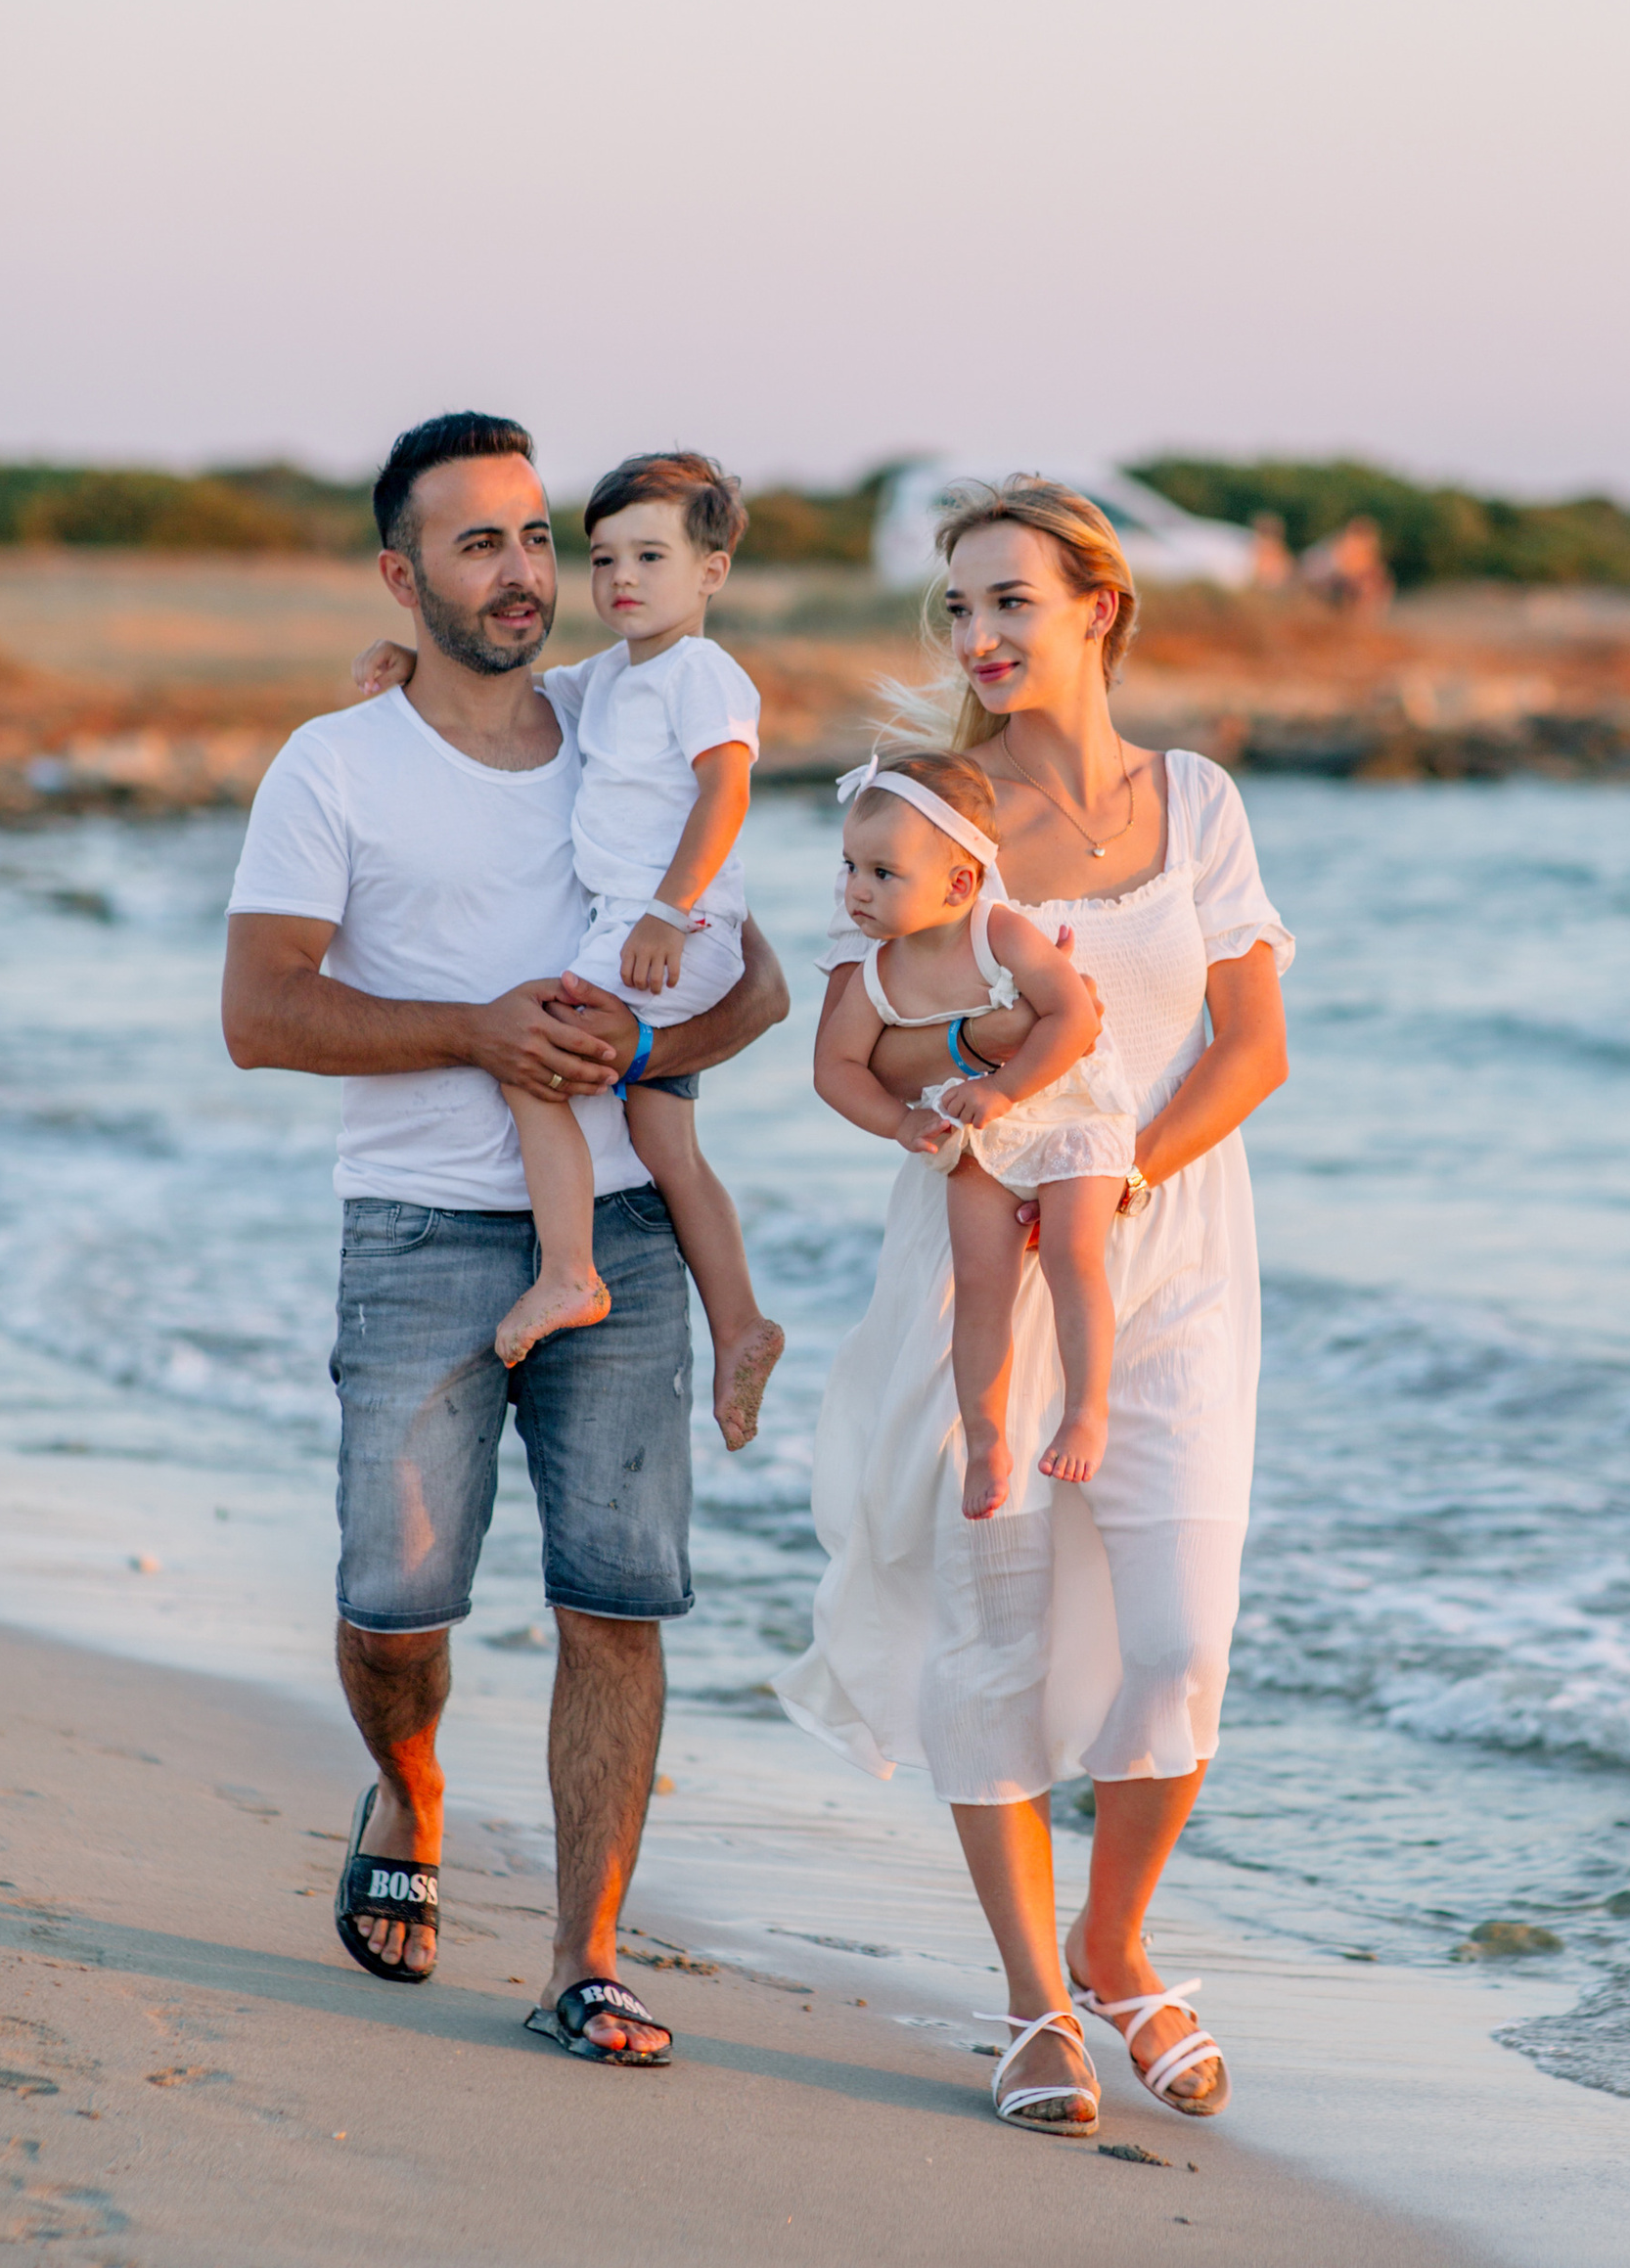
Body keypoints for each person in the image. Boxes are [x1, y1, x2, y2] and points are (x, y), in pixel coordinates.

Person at [220, 411, 788, 2066]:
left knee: (620, 1600)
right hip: (414, 1228)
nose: (529, 571)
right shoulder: (336, 763)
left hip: (620, 1229)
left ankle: (587, 1957)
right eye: (482, 543)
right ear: (405, 575)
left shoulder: (634, 713)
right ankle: (407, 1787)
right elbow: (261, 1012)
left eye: (541, 536)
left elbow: (747, 987)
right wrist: (477, 1031)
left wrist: (645, 1048)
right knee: (396, 1601)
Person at [776, 476, 1292, 2137]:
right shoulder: (934, 814)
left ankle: (1118, 1938)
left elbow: (1254, 1045)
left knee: (1181, 1640)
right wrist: (994, 1075)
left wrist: (1124, 1174)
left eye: (1014, 601)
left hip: (1176, 1254)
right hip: (984, 1257)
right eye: (961, 607)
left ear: (1101, 611)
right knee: (993, 1634)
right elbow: (862, 1041)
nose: (983, 637)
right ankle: (1037, 2006)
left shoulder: (1197, 802)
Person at [354, 450, 785, 1446]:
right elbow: (526, 687)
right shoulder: (615, 676)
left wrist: (667, 913)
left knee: (534, 1054)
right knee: (665, 1142)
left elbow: (727, 793)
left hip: (668, 935)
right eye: (600, 560)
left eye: (649, 556)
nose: (620, 580)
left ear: (710, 572)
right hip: (654, 935)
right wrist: (412, 661)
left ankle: (568, 1270)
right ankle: (741, 1323)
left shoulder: (703, 674)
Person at [811, 748, 1136, 1520]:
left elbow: (1076, 1018)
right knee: (979, 1281)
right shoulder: (875, 974)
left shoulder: (1001, 934)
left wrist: (1005, 1087)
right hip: (972, 1131)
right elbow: (835, 1068)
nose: (857, 890)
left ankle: (1086, 1411)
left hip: (1067, 1107)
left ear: (959, 884)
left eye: (883, 874)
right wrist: (901, 1120)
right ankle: (988, 1440)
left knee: (1069, 1250)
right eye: (850, 866)